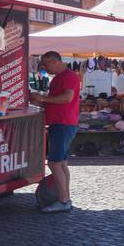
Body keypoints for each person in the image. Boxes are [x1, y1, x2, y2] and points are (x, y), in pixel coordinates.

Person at [30, 50, 81, 214]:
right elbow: (59, 101)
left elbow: (67, 98)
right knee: (62, 163)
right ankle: (65, 197)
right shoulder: (59, 78)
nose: (44, 67)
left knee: (54, 162)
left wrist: (43, 99)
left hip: (63, 124)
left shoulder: (69, 76)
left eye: (45, 64)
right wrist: (40, 101)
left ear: (54, 61)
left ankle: (64, 200)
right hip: (62, 123)